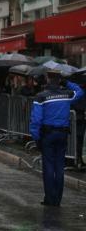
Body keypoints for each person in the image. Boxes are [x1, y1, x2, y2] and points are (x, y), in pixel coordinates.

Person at [30, 68, 85, 206]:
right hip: (62, 134)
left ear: (48, 79)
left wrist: (36, 138)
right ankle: (57, 200)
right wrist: (67, 83)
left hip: (47, 135)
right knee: (59, 167)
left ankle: (50, 198)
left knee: (48, 166)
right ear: (59, 80)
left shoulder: (41, 96)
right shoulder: (66, 95)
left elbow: (36, 120)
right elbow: (80, 92)